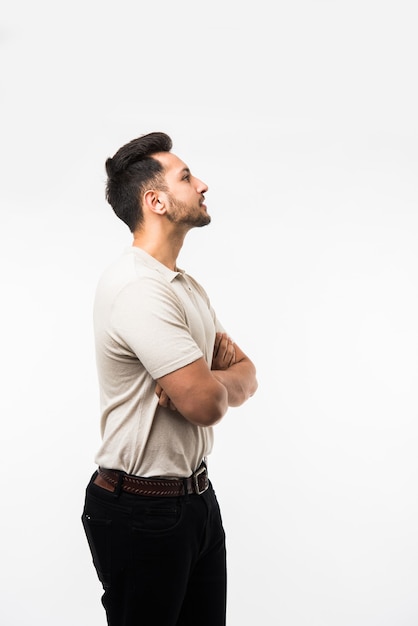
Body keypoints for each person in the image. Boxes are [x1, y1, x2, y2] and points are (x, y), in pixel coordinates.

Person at [81, 131, 258, 626]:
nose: (202, 184)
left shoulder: (184, 286)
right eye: (186, 177)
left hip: (197, 500)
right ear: (154, 200)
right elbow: (208, 407)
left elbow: (245, 376)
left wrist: (213, 383)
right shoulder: (139, 289)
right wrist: (210, 387)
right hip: (142, 511)